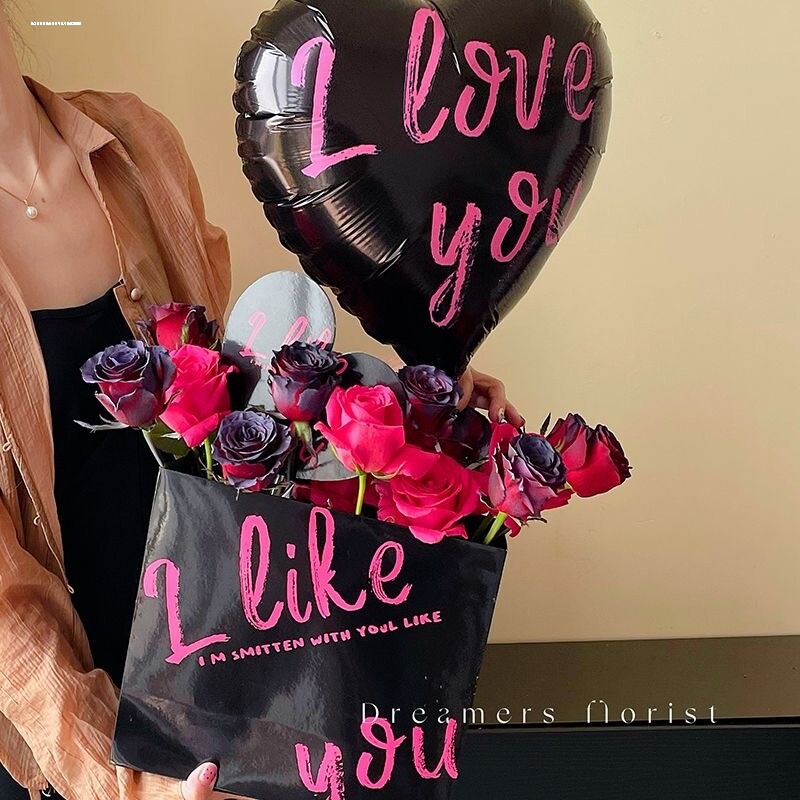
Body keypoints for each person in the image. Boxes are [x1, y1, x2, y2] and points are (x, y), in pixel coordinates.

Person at [0, 7, 521, 800]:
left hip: (235, 678)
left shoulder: (135, 144)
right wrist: (126, 783)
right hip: (82, 738)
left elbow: (244, 393)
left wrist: (422, 399)